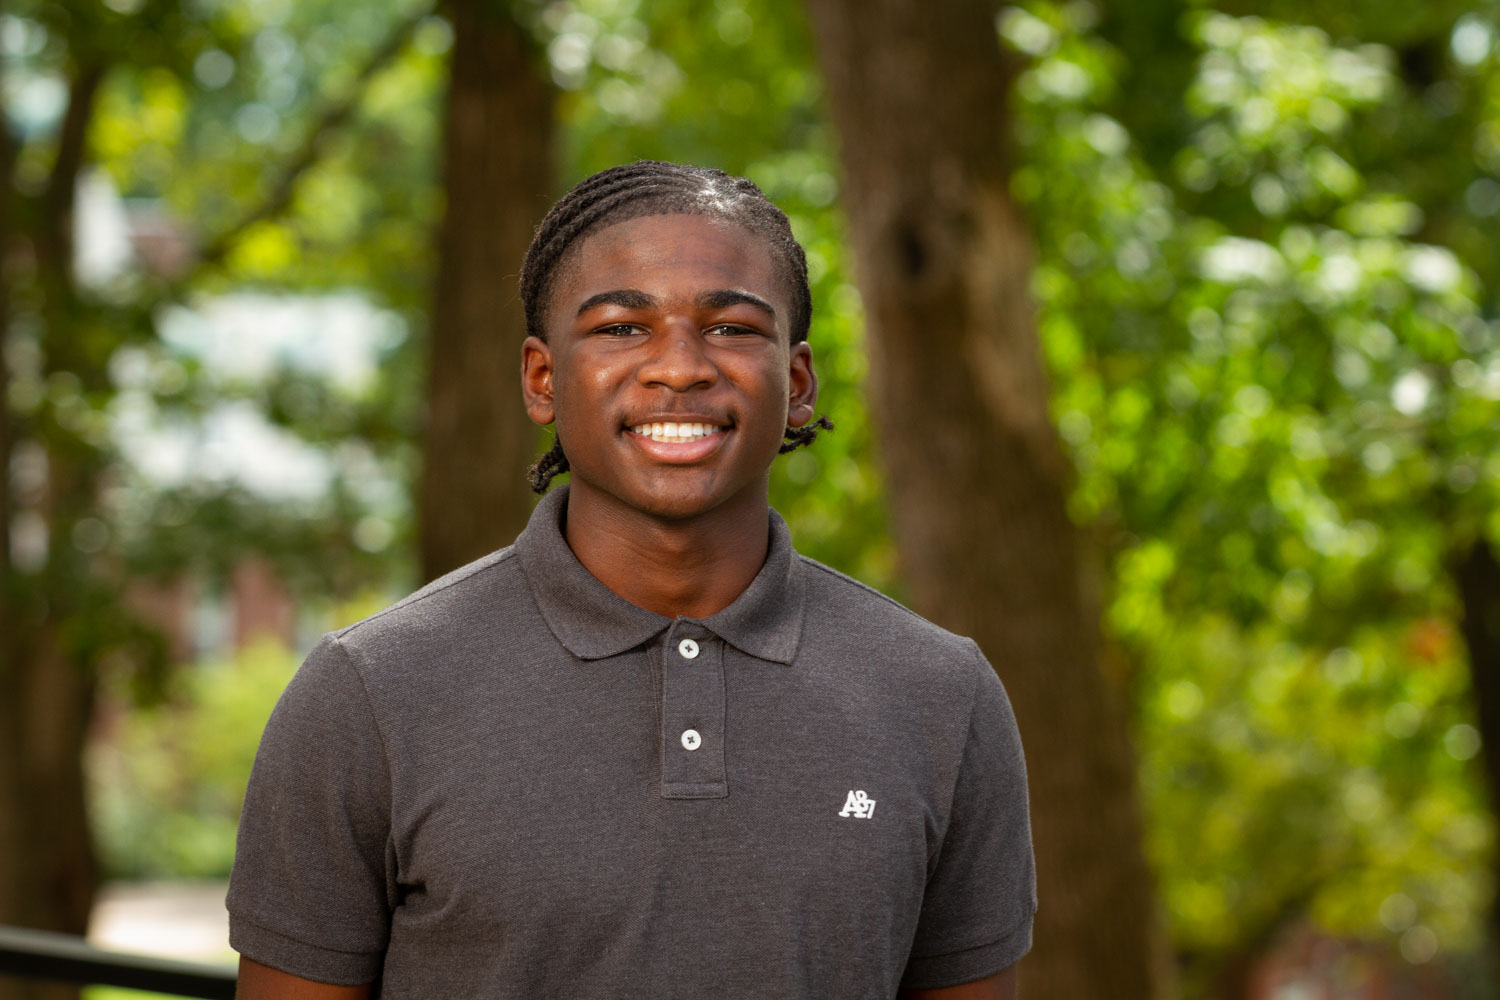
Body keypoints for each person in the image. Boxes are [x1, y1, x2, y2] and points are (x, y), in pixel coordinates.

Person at [227, 161, 1036, 999]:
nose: (679, 367)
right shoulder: (369, 694)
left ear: (797, 386)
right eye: (621, 328)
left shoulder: (942, 696)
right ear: (543, 379)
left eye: (730, 328)